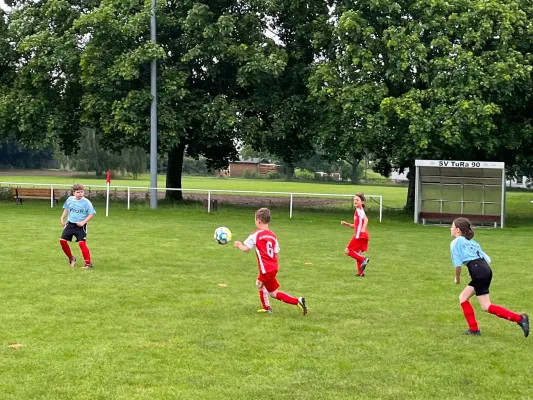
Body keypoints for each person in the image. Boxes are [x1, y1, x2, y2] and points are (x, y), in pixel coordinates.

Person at [450, 217, 529, 337]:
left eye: (452, 226)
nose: (450, 229)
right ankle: (474, 329)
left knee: (486, 306)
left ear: (458, 230)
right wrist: (475, 270)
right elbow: (486, 259)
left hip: (478, 271)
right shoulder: (473, 243)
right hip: (485, 269)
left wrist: (458, 278)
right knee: (463, 297)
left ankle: (519, 318)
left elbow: (457, 265)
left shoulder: (455, 242)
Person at [234, 207, 307, 315]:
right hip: (273, 267)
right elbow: (275, 252)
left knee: (259, 284)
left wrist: (239, 245)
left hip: (265, 269)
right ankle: (297, 301)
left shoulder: (256, 234)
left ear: (258, 220)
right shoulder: (273, 235)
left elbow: (246, 249)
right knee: (272, 293)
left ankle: (268, 308)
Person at [59, 184, 96, 269]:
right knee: (62, 241)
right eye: (78, 192)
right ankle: (71, 258)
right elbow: (66, 209)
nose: (80, 194)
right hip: (70, 224)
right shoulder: (70, 200)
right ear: (74, 193)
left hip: (80, 226)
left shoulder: (86, 202)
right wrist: (62, 218)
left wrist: (83, 222)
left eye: (82, 192)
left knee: (82, 243)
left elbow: (92, 214)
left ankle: (88, 264)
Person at [341, 193, 370, 277]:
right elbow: (357, 225)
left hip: (360, 235)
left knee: (348, 251)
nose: (355, 201)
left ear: (362, 202)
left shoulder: (359, 210)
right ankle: (361, 273)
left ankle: (364, 259)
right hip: (364, 236)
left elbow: (366, 219)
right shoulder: (359, 210)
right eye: (354, 200)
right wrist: (347, 224)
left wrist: (363, 228)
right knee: (357, 253)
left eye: (357, 200)